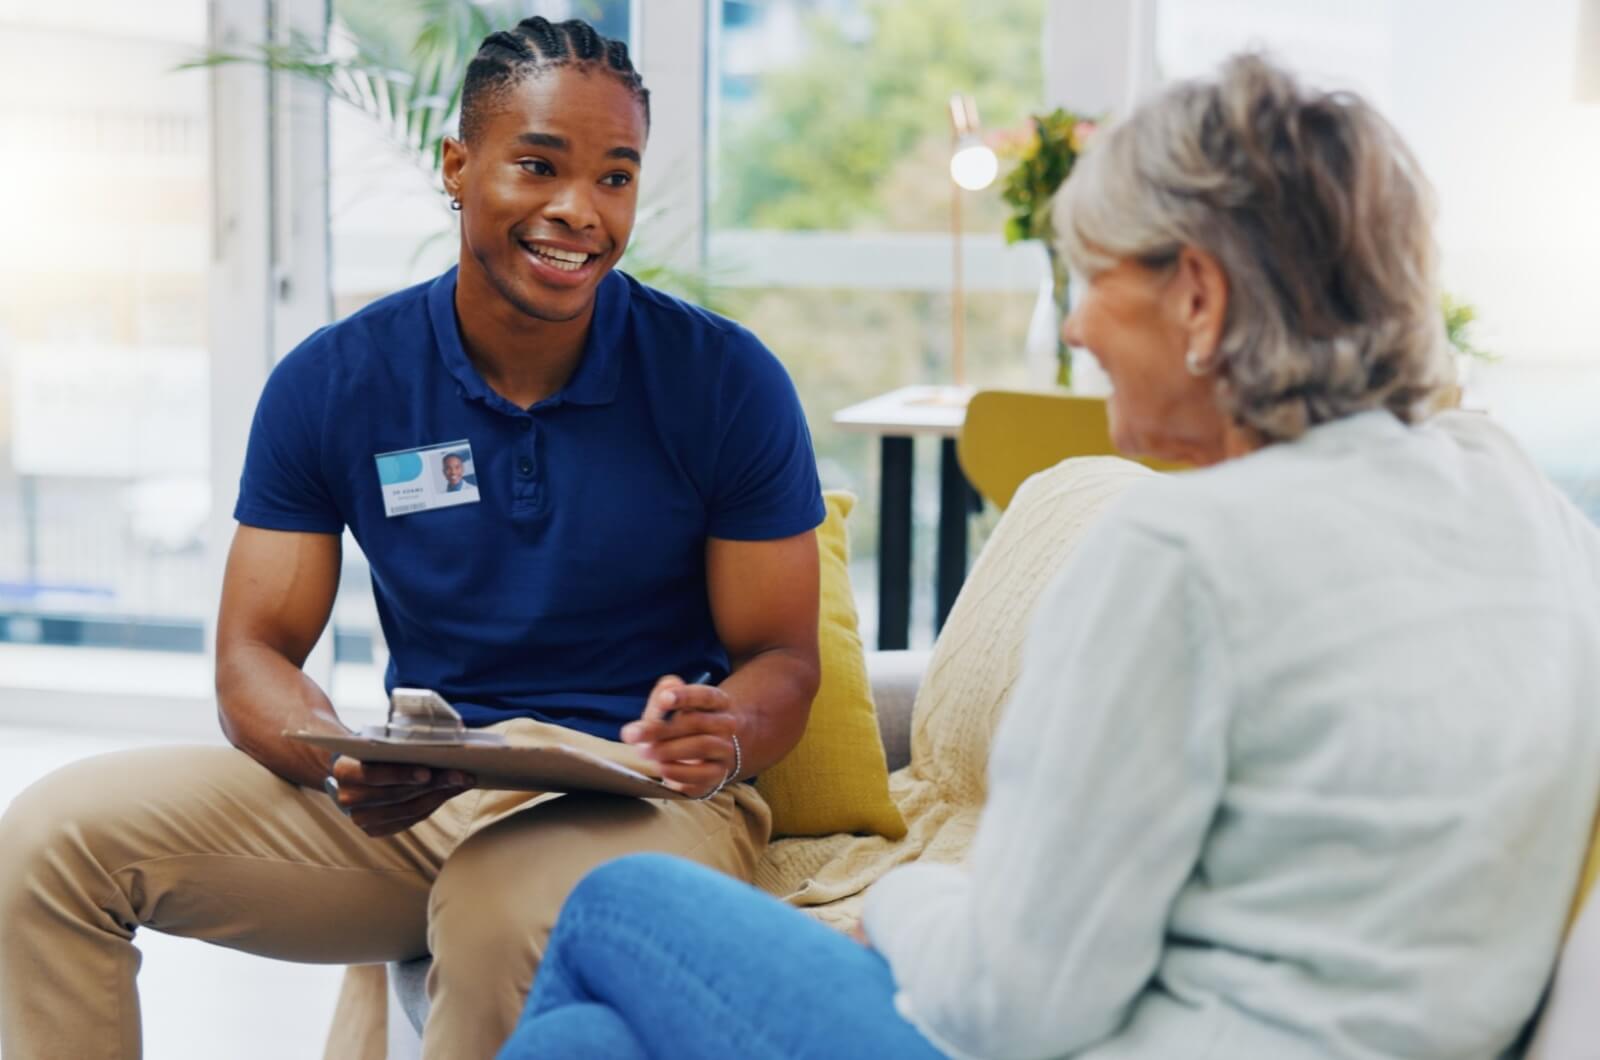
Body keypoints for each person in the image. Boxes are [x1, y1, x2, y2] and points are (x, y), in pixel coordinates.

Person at [497, 53, 1600, 1060]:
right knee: (591, 1043)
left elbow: (1014, 1007)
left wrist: (904, 905)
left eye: (1089, 279)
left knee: (618, 901)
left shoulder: (1181, 553)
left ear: (1199, 297)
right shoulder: (1528, 507)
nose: (1074, 330)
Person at [0, 16, 824, 1060]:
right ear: (457, 163)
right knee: (49, 840)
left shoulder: (723, 379)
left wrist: (726, 730)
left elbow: (785, 660)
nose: (580, 211)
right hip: (424, 797)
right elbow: (253, 651)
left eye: (615, 178)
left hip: (642, 802)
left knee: (493, 907)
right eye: (538, 165)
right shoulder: (336, 379)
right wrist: (334, 753)